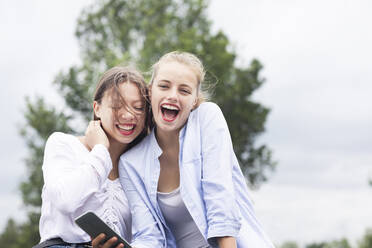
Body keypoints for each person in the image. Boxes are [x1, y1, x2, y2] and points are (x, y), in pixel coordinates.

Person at [116, 51, 275, 248]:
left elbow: (220, 202)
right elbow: (149, 237)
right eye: (164, 86)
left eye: (184, 91)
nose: (173, 96)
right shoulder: (131, 163)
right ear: (150, 91)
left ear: (194, 101)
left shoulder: (207, 118)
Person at [33, 66, 150, 248]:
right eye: (117, 106)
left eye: (138, 108)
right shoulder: (64, 144)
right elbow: (65, 200)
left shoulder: (139, 168)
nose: (128, 115)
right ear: (97, 108)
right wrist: (101, 150)